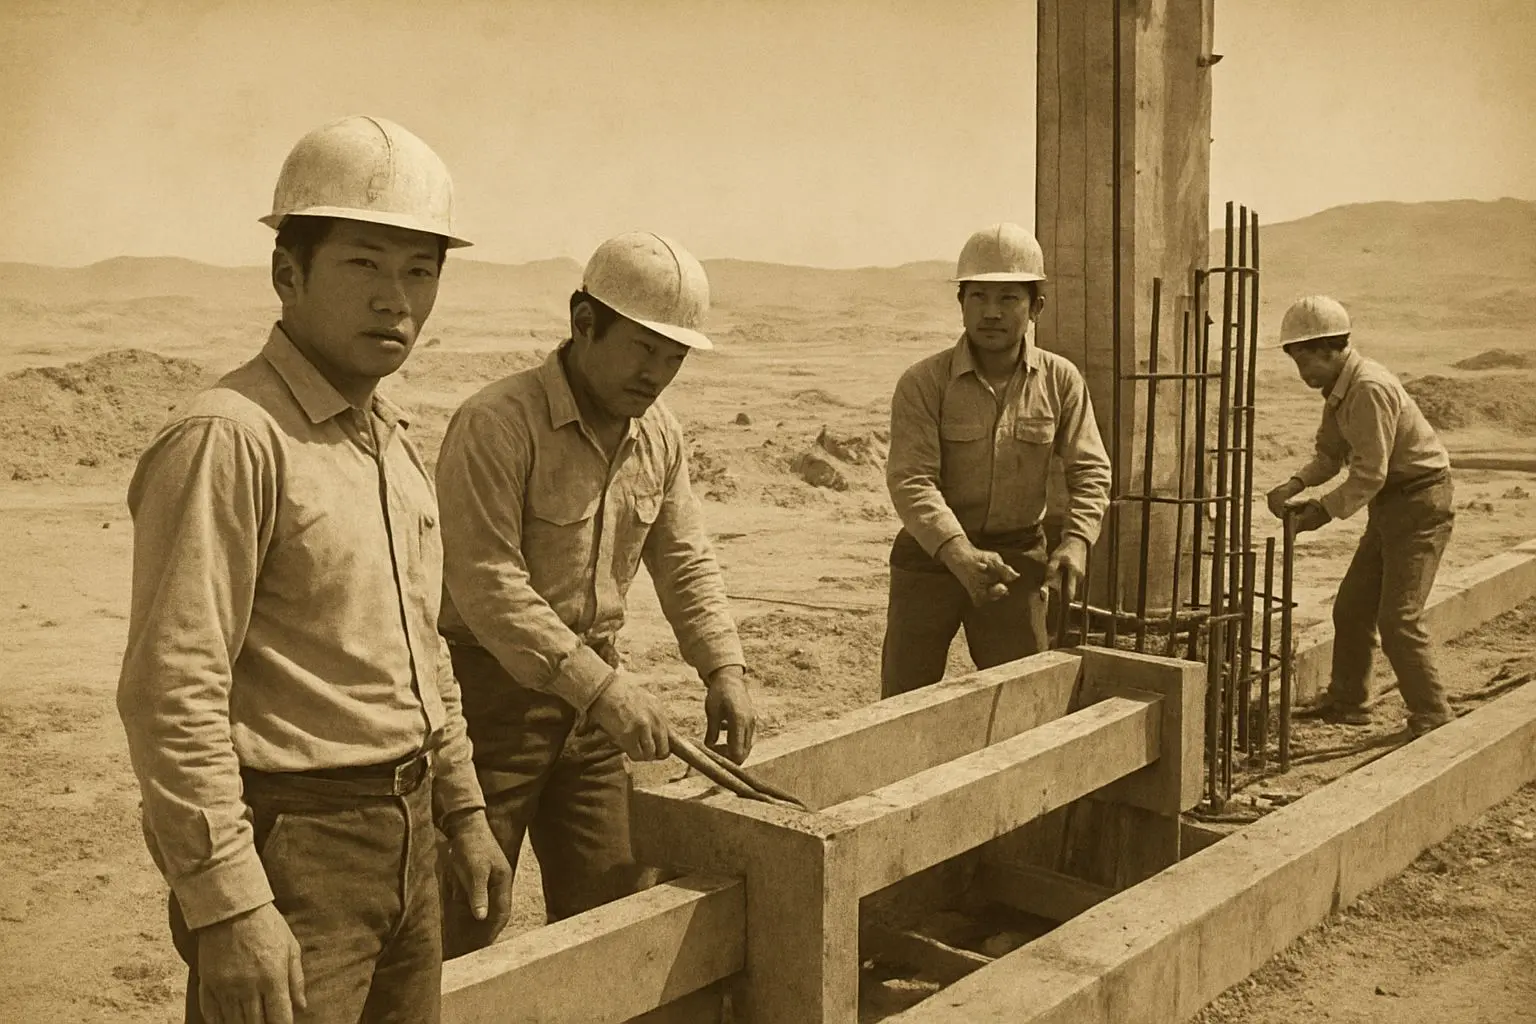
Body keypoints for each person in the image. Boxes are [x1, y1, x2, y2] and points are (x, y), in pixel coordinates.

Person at [116, 115, 512, 1024]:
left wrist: (462, 813)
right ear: (287, 275)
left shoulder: (391, 446)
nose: (396, 299)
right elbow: (172, 690)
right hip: (296, 845)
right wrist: (231, 904)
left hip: (408, 835)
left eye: (421, 270)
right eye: (363, 264)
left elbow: (423, 658)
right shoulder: (230, 438)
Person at [433, 230, 756, 953]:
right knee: (465, 914)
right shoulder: (495, 424)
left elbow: (686, 560)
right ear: (584, 322)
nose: (658, 373)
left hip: (591, 710)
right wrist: (603, 690)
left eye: (673, 357)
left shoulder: (659, 436)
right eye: (644, 348)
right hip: (490, 705)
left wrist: (723, 668)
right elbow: (488, 588)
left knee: (611, 908)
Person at [881, 222, 1113, 698]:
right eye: (979, 297)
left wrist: (1077, 542)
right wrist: (958, 554)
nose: (991, 313)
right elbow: (912, 480)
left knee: (1023, 699)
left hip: (1016, 562)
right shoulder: (924, 382)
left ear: (1036, 308)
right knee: (902, 703)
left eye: (1008, 298)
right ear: (961, 302)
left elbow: (1090, 470)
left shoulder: (1061, 380)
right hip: (931, 558)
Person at [1264, 294, 1457, 738]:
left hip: (1420, 505)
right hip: (1391, 505)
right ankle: (1350, 702)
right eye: (1295, 362)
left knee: (1398, 619)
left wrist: (1319, 512)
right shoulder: (1337, 389)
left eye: (1306, 360)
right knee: (1352, 609)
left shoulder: (1368, 388)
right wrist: (1294, 485)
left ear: (1331, 349)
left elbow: (1370, 474)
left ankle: (1433, 713)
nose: (1302, 373)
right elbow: (1331, 456)